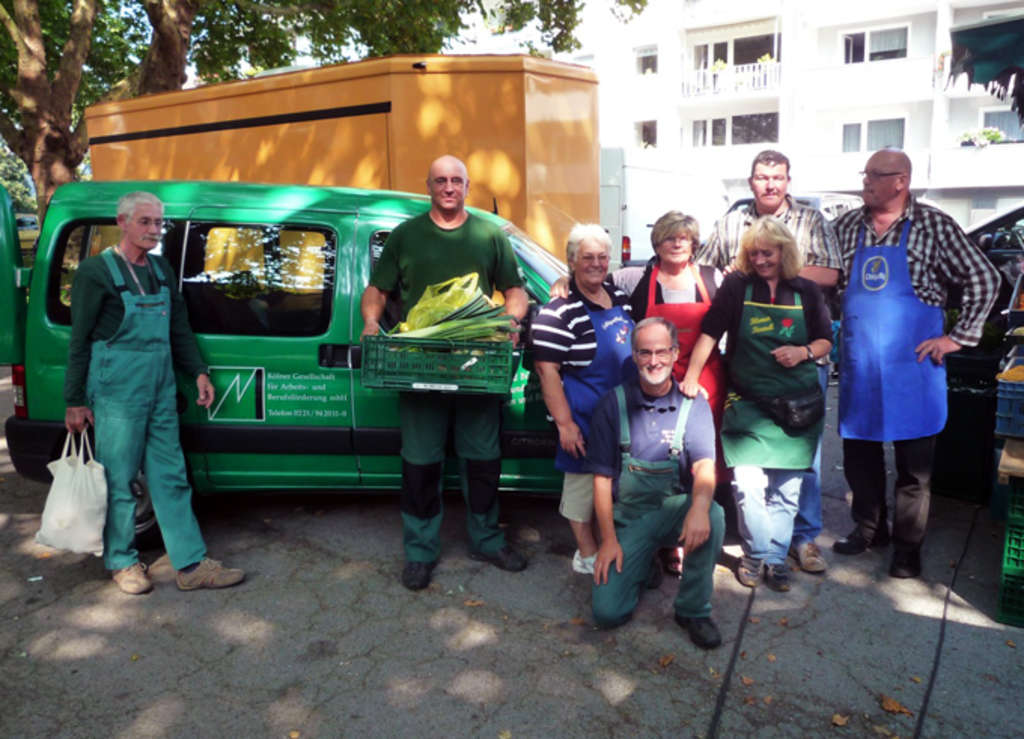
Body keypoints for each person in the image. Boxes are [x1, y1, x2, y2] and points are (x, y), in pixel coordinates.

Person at [360, 154, 529, 591]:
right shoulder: (407, 235)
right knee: (420, 464)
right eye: (440, 180)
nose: (449, 187)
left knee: (483, 461)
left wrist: (511, 322)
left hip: (476, 368)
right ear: (429, 186)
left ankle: (487, 540)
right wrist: (370, 322)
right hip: (420, 367)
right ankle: (419, 552)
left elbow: (515, 291)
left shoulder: (488, 234)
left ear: (467, 187)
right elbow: (377, 289)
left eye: (456, 180)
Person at [64, 192, 245, 595]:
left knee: (171, 477)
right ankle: (123, 562)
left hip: (161, 387)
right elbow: (79, 341)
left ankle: (191, 563)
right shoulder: (96, 272)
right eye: (145, 222)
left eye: (158, 223)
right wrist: (74, 400)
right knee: (119, 478)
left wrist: (197, 371)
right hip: (116, 391)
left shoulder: (161, 270)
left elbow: (178, 328)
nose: (153, 230)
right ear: (123, 221)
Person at [831, 149, 1000, 578]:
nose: (864, 182)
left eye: (873, 175)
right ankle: (870, 529)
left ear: (900, 181)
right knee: (860, 456)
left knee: (914, 468)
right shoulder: (847, 225)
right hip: (862, 365)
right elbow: (824, 279)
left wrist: (957, 337)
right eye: (864, 174)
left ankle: (907, 546)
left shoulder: (934, 225)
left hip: (913, 366)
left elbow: (985, 278)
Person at [696, 149, 842, 576]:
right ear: (751, 181)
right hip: (750, 387)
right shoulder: (731, 223)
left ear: (788, 180)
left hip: (799, 382)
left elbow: (831, 276)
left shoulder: (812, 227)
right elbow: (703, 269)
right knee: (751, 482)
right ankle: (761, 551)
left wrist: (802, 347)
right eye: (762, 177)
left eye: (777, 177)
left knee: (798, 473)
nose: (770, 184)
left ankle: (801, 541)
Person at [586, 317, 724, 649]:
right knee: (607, 613)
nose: (653, 361)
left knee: (714, 515)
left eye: (661, 352)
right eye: (644, 353)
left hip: (669, 514)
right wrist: (607, 540)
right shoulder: (612, 405)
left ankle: (693, 610)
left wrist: (700, 507)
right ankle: (643, 564)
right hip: (627, 522)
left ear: (675, 353)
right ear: (634, 356)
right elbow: (602, 480)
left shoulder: (693, 405)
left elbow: (706, 465)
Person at [532, 224, 634, 575]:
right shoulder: (559, 310)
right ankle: (587, 553)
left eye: (602, 257)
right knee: (581, 486)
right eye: (586, 257)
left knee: (616, 487)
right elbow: (547, 372)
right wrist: (565, 424)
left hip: (622, 414)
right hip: (584, 416)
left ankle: (618, 545)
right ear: (572, 261)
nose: (595, 264)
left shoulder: (618, 295)